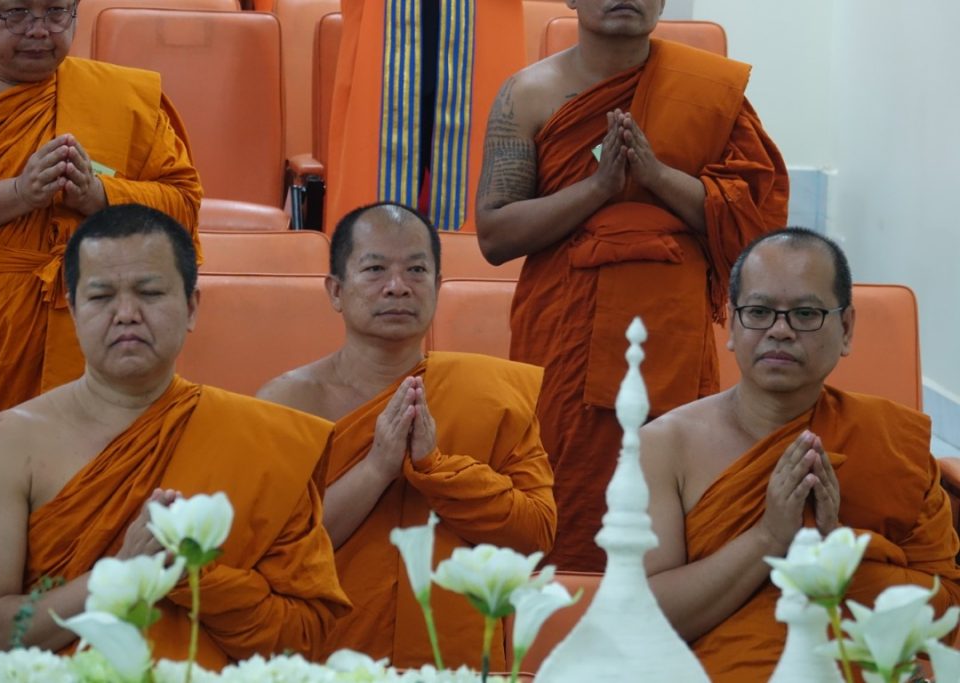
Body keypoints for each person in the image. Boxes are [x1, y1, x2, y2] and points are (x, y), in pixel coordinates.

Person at [0, 205, 350, 667]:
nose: (126, 314)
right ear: (73, 309)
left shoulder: (265, 443)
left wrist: (194, 577)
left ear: (191, 307)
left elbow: (303, 639)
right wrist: (122, 574)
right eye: (101, 296)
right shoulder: (4, 445)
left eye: (150, 292)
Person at [475, 0, 790, 571]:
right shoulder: (529, 94)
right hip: (564, 335)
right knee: (563, 494)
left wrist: (656, 176)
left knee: (673, 487)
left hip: (673, 333)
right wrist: (598, 189)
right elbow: (496, 234)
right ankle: (561, 611)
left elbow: (755, 231)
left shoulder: (707, 95)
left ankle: (673, 612)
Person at [0, 0, 203, 567]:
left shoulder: (122, 98)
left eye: (56, 12)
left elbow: (183, 208)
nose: (39, 30)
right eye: (17, 13)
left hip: (93, 332)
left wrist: (102, 196)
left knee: (79, 513)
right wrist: (18, 193)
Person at [640, 228, 960, 682]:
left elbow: (944, 615)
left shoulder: (892, 443)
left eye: (806, 314)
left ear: (846, 329)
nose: (780, 330)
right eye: (758, 312)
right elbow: (641, 616)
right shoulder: (665, 446)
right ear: (731, 324)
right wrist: (768, 537)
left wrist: (837, 550)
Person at [257, 202, 557, 669]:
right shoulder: (288, 403)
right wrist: (376, 468)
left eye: (416, 270)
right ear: (336, 291)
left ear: (437, 286)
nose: (397, 286)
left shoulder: (489, 396)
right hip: (326, 662)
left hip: (455, 666)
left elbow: (535, 535)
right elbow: (273, 552)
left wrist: (437, 469)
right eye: (375, 269)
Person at [324, 1, 524, 232]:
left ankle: (469, 251)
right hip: (383, 42)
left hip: (480, 42)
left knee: (476, 196)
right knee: (373, 199)